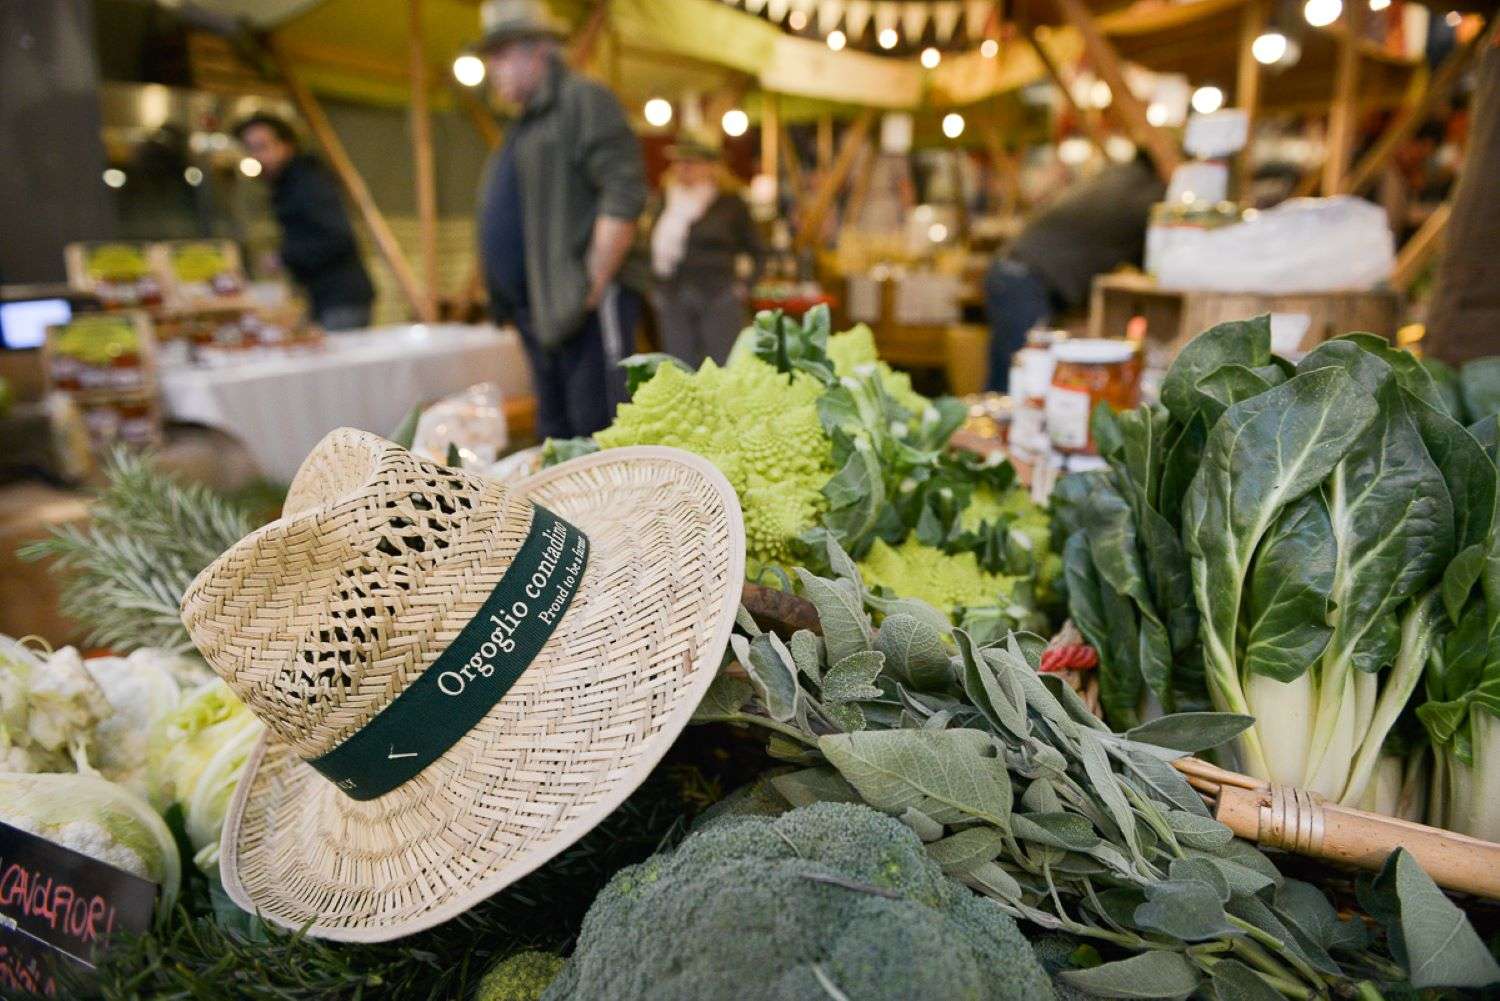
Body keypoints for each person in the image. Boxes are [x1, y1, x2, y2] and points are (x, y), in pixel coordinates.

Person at [474, 0, 648, 440]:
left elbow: (624, 192)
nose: (493, 68)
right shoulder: (528, 121)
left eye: (502, 53)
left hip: (581, 307)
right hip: (540, 310)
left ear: (538, 50)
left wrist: (590, 285)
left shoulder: (582, 99)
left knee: (600, 430)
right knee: (557, 431)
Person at [984, 152, 1164, 391]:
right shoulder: (1145, 195)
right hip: (1024, 278)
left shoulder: (1118, 178)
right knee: (1022, 379)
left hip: (1015, 272)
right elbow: (1155, 265)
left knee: (1015, 373)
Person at [233, 113, 375, 331]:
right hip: (325, 297)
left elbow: (337, 237)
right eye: (250, 149)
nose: (256, 156)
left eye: (262, 146)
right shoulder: (289, 183)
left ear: (287, 145)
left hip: (340, 298)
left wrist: (284, 257)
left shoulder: (306, 182)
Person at [649, 136, 760, 368]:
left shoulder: (730, 203)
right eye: (679, 162)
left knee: (721, 366)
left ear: (711, 166)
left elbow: (758, 250)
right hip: (674, 294)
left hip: (718, 295)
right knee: (679, 366)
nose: (683, 168)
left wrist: (744, 286)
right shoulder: (666, 200)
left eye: (691, 162)